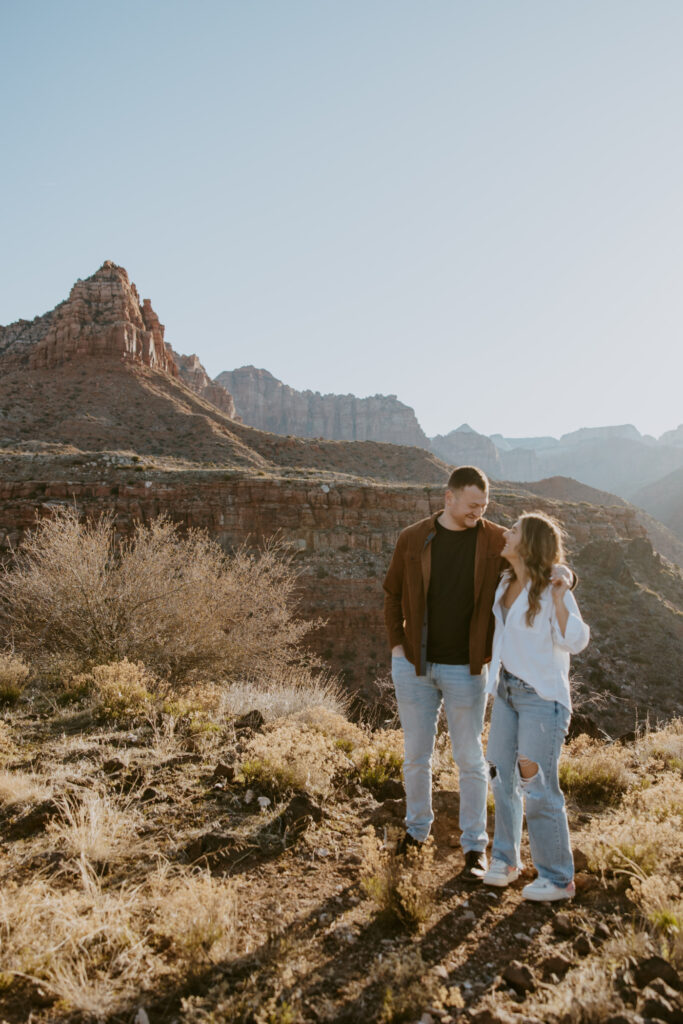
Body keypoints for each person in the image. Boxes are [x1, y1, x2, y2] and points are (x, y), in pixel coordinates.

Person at [383, 465, 506, 881]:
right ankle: (417, 833)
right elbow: (392, 593)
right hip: (414, 665)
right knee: (416, 757)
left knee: (470, 758)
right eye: (472, 505)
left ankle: (475, 848)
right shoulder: (413, 537)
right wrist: (397, 645)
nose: (478, 513)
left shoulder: (495, 539)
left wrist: (566, 577)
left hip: (467, 670)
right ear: (449, 498)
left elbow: (538, 568)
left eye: (484, 506)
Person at [482, 512, 589, 901]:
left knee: (538, 786)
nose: (505, 534)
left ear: (528, 543)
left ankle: (558, 879)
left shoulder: (552, 587)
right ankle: (506, 860)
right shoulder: (506, 581)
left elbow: (575, 640)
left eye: (513, 531)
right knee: (501, 776)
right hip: (507, 693)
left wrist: (562, 596)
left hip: (541, 698)